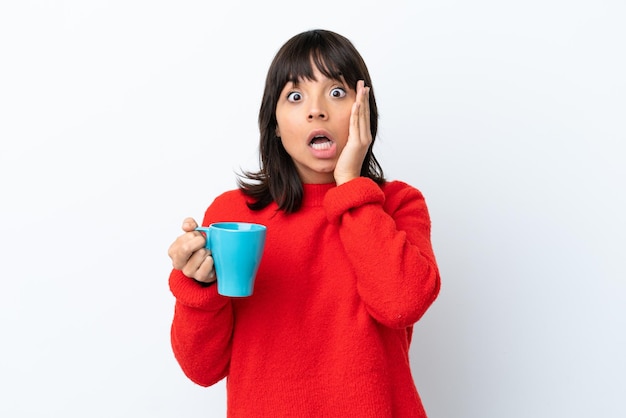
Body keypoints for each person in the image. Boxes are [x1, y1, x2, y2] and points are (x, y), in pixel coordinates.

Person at [167, 29, 441, 417]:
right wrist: (197, 285)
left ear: (365, 113)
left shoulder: (397, 205)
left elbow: (401, 304)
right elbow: (202, 369)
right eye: (295, 96)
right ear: (275, 124)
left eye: (336, 92)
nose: (317, 110)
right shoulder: (232, 217)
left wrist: (350, 186)